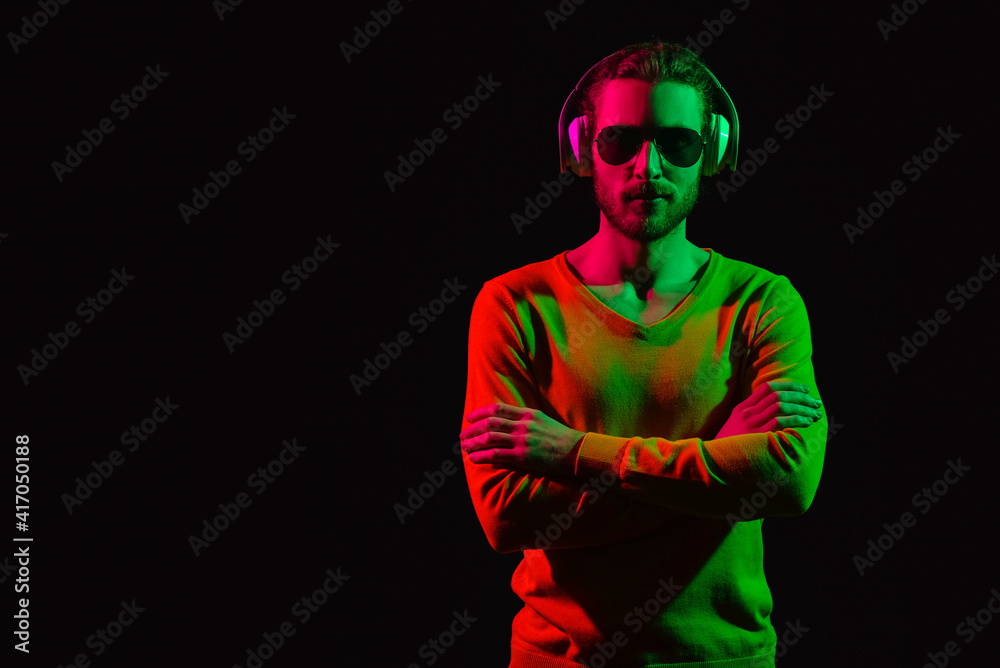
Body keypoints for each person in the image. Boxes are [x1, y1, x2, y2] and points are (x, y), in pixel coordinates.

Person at [459, 39, 826, 667]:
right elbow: (507, 518)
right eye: (621, 142)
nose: (648, 167)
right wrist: (716, 467)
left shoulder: (764, 302)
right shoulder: (514, 304)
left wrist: (574, 454)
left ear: (711, 149)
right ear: (583, 149)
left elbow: (789, 484)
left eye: (676, 142)